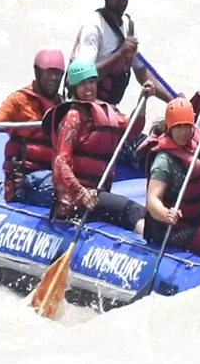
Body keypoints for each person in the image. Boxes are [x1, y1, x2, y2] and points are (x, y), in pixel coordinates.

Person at [43, 58, 154, 234]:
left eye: (91, 82)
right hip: (76, 202)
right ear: (74, 88)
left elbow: (132, 131)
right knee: (132, 210)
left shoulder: (106, 112)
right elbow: (60, 163)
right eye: (82, 84)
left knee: (139, 212)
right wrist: (82, 193)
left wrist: (143, 100)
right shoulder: (73, 117)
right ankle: (152, 250)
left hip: (96, 195)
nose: (89, 88)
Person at [68, 0, 175, 106]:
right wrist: (121, 54)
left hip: (110, 107)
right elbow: (83, 78)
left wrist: (173, 99)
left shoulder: (129, 27)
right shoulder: (94, 26)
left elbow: (142, 71)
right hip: (86, 107)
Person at [0, 48, 65, 206]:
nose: (54, 78)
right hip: (25, 180)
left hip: (51, 173)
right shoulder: (18, 101)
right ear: (38, 72)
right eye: (49, 73)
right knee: (64, 191)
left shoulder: (61, 104)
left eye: (58, 74)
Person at [140, 98, 200, 257]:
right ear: (169, 127)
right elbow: (152, 199)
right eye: (178, 127)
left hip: (195, 220)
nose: (183, 132)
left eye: (187, 126)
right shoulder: (163, 161)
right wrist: (165, 213)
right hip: (170, 229)